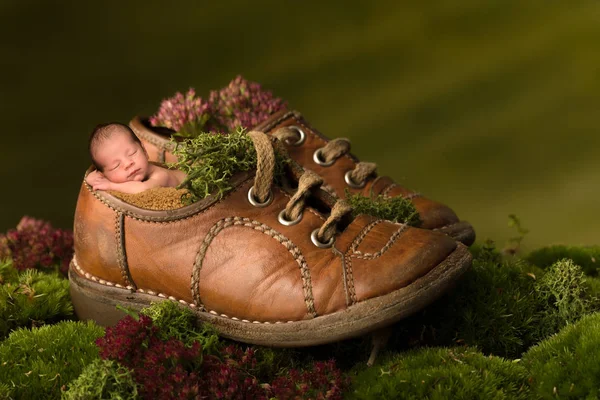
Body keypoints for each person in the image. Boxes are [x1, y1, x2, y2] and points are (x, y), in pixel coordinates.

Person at [85, 123, 186, 194]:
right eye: (116, 166)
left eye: (132, 153)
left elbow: (144, 190)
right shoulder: (103, 173)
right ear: (103, 174)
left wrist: (110, 185)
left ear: (144, 150)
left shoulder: (161, 176)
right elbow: (90, 178)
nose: (128, 163)